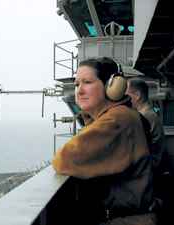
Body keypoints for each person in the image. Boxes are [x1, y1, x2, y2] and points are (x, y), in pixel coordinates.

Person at [52, 57, 157, 225]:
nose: (79, 91)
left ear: (112, 87)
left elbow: (64, 159)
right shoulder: (122, 115)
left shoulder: (117, 120)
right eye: (77, 84)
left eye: (87, 82)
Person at [126, 77, 166, 173]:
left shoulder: (144, 116)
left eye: (126, 95)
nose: (124, 99)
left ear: (137, 95)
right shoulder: (146, 113)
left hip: (149, 166)